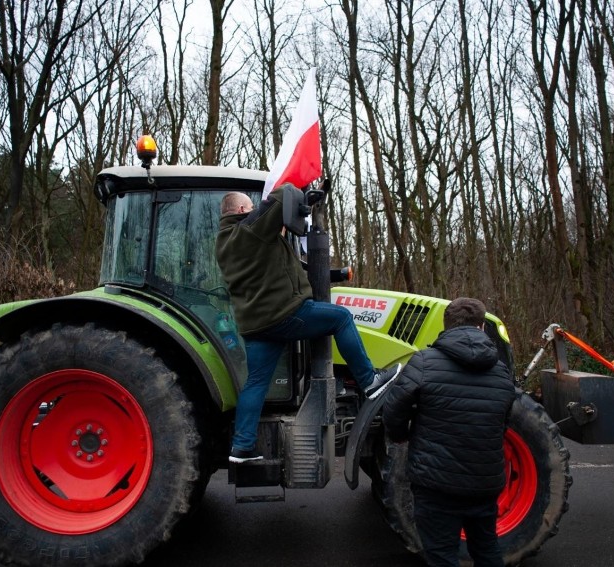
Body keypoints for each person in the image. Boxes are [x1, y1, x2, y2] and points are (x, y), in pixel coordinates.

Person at [216, 185, 402, 464]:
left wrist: (331, 273)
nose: (256, 211)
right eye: (251, 208)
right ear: (242, 211)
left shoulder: (227, 241)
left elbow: (284, 266)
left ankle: (242, 447)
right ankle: (369, 381)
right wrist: (296, 188)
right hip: (283, 313)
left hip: (256, 325)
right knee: (340, 318)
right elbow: (279, 199)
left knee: (255, 384)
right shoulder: (248, 230)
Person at [382, 297, 517, 567]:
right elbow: (503, 421)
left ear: (445, 326)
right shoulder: (501, 372)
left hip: (436, 484)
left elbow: (393, 409)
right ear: (481, 328)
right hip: (484, 483)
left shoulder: (423, 362)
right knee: (487, 549)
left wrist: (401, 436)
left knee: (441, 555)